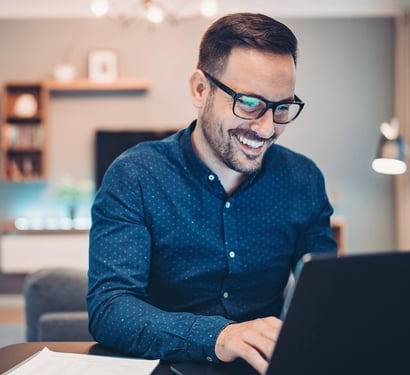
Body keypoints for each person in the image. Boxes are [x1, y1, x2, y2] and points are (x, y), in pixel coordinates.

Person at [87, 12, 337, 374]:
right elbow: (110, 308)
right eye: (249, 103)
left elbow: (323, 300)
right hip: (163, 366)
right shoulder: (134, 176)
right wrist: (219, 337)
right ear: (200, 89)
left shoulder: (304, 180)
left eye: (282, 108)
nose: (267, 128)